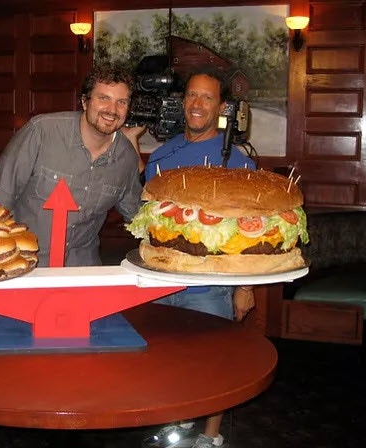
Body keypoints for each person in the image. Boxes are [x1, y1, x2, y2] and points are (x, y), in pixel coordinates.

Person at [143, 66, 256, 448]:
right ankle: (176, 423)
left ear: (221, 106)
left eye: (207, 97)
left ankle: (210, 435)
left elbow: (246, 233)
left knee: (211, 362)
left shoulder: (238, 161)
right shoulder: (162, 155)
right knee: (166, 359)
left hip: (211, 284)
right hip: (162, 280)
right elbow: (150, 220)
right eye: (192, 95)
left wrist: (244, 287)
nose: (197, 103)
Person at [0, 63, 145, 267]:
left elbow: (137, 216)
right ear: (85, 101)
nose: (112, 110)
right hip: (26, 266)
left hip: (81, 271)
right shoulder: (41, 132)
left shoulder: (127, 158)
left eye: (121, 102)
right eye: (103, 98)